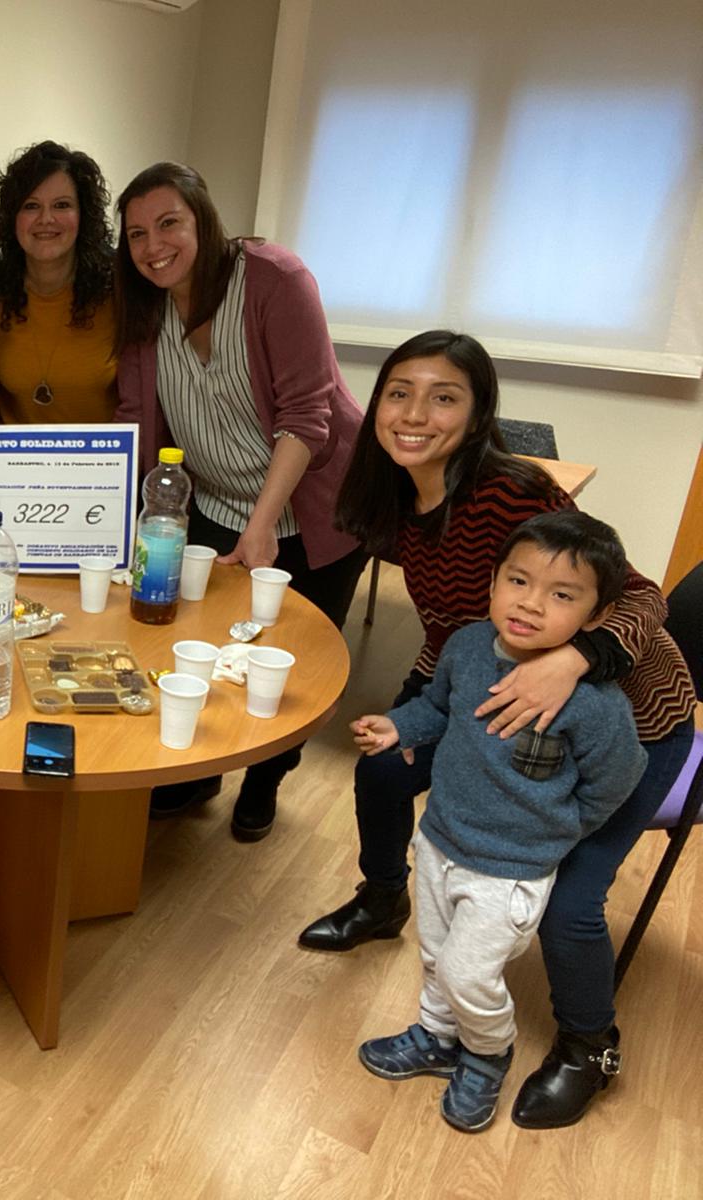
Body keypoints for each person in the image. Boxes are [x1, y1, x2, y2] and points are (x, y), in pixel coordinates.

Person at [298, 331, 695, 1130]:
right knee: (381, 768)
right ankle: (384, 900)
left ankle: (591, 1047)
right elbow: (454, 621)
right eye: (399, 392)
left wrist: (573, 660)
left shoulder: (514, 495)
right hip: (490, 687)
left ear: (478, 414)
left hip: (623, 720)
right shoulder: (394, 492)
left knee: (568, 899)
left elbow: (641, 597)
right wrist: (418, 704)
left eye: (444, 396)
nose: (415, 413)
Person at [353, 513, 646, 1132]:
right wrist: (398, 728)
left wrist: (564, 828)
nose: (532, 604)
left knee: (469, 971)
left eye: (562, 595)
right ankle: (436, 1038)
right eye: (518, 581)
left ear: (594, 618)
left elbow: (619, 778)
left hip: (510, 869)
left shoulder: (594, 704)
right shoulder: (464, 646)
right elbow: (439, 708)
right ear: (493, 580)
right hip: (438, 840)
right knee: (436, 957)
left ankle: (486, 1055)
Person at [113, 161, 367, 840]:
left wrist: (262, 526)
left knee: (291, 655)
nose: (153, 245)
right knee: (197, 643)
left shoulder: (274, 280)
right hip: (213, 501)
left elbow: (308, 413)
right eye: (136, 233)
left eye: (169, 223)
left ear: (203, 219)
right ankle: (197, 770)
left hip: (318, 505)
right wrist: (137, 517)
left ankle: (266, 779)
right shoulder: (143, 303)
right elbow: (143, 416)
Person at [0, 140, 117, 424]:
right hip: (13, 464)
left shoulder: (119, 289)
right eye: (31, 206)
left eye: (62, 205)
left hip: (104, 464)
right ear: (12, 218)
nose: (46, 219)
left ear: (84, 215)